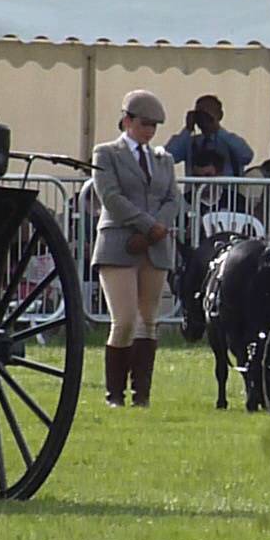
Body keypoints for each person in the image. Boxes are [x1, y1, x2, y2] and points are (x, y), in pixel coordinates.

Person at [91, 90, 180, 408]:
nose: (150, 131)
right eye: (144, 124)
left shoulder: (163, 159)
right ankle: (114, 394)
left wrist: (157, 229)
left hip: (155, 245)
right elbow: (110, 196)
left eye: (155, 126)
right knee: (125, 319)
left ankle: (141, 394)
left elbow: (173, 197)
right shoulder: (106, 154)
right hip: (119, 242)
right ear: (127, 120)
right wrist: (147, 224)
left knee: (148, 318)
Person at [164, 94, 253, 176]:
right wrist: (187, 129)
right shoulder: (190, 142)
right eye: (200, 114)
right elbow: (167, 158)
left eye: (208, 113)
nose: (204, 119)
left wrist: (217, 129)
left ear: (220, 115)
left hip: (225, 192)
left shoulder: (230, 141)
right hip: (195, 192)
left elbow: (247, 156)